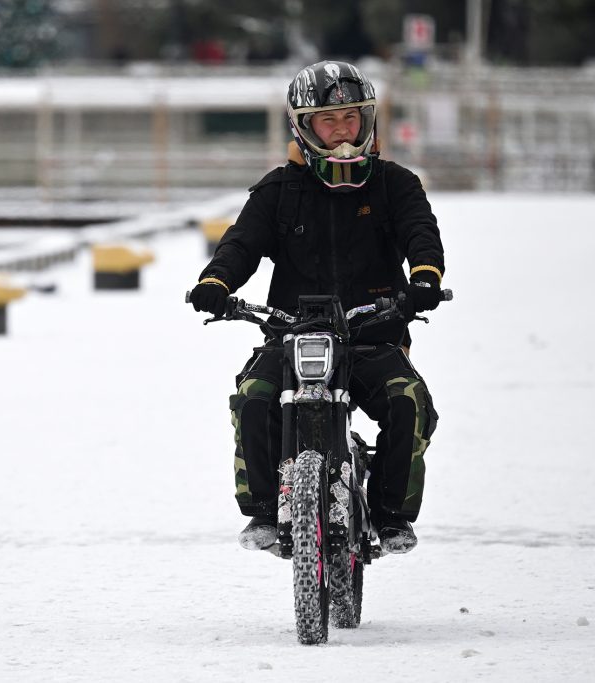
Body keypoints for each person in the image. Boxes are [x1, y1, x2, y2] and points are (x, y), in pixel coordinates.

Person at [188, 61, 445, 555]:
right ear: (304, 127)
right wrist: (215, 282)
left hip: (374, 332)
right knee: (254, 396)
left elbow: (421, 233)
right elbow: (240, 244)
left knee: (407, 400)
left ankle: (392, 516)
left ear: (368, 121)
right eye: (329, 121)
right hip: (291, 333)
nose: (342, 132)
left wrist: (425, 278)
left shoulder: (396, 184)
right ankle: (264, 511)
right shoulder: (278, 190)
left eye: (351, 118)